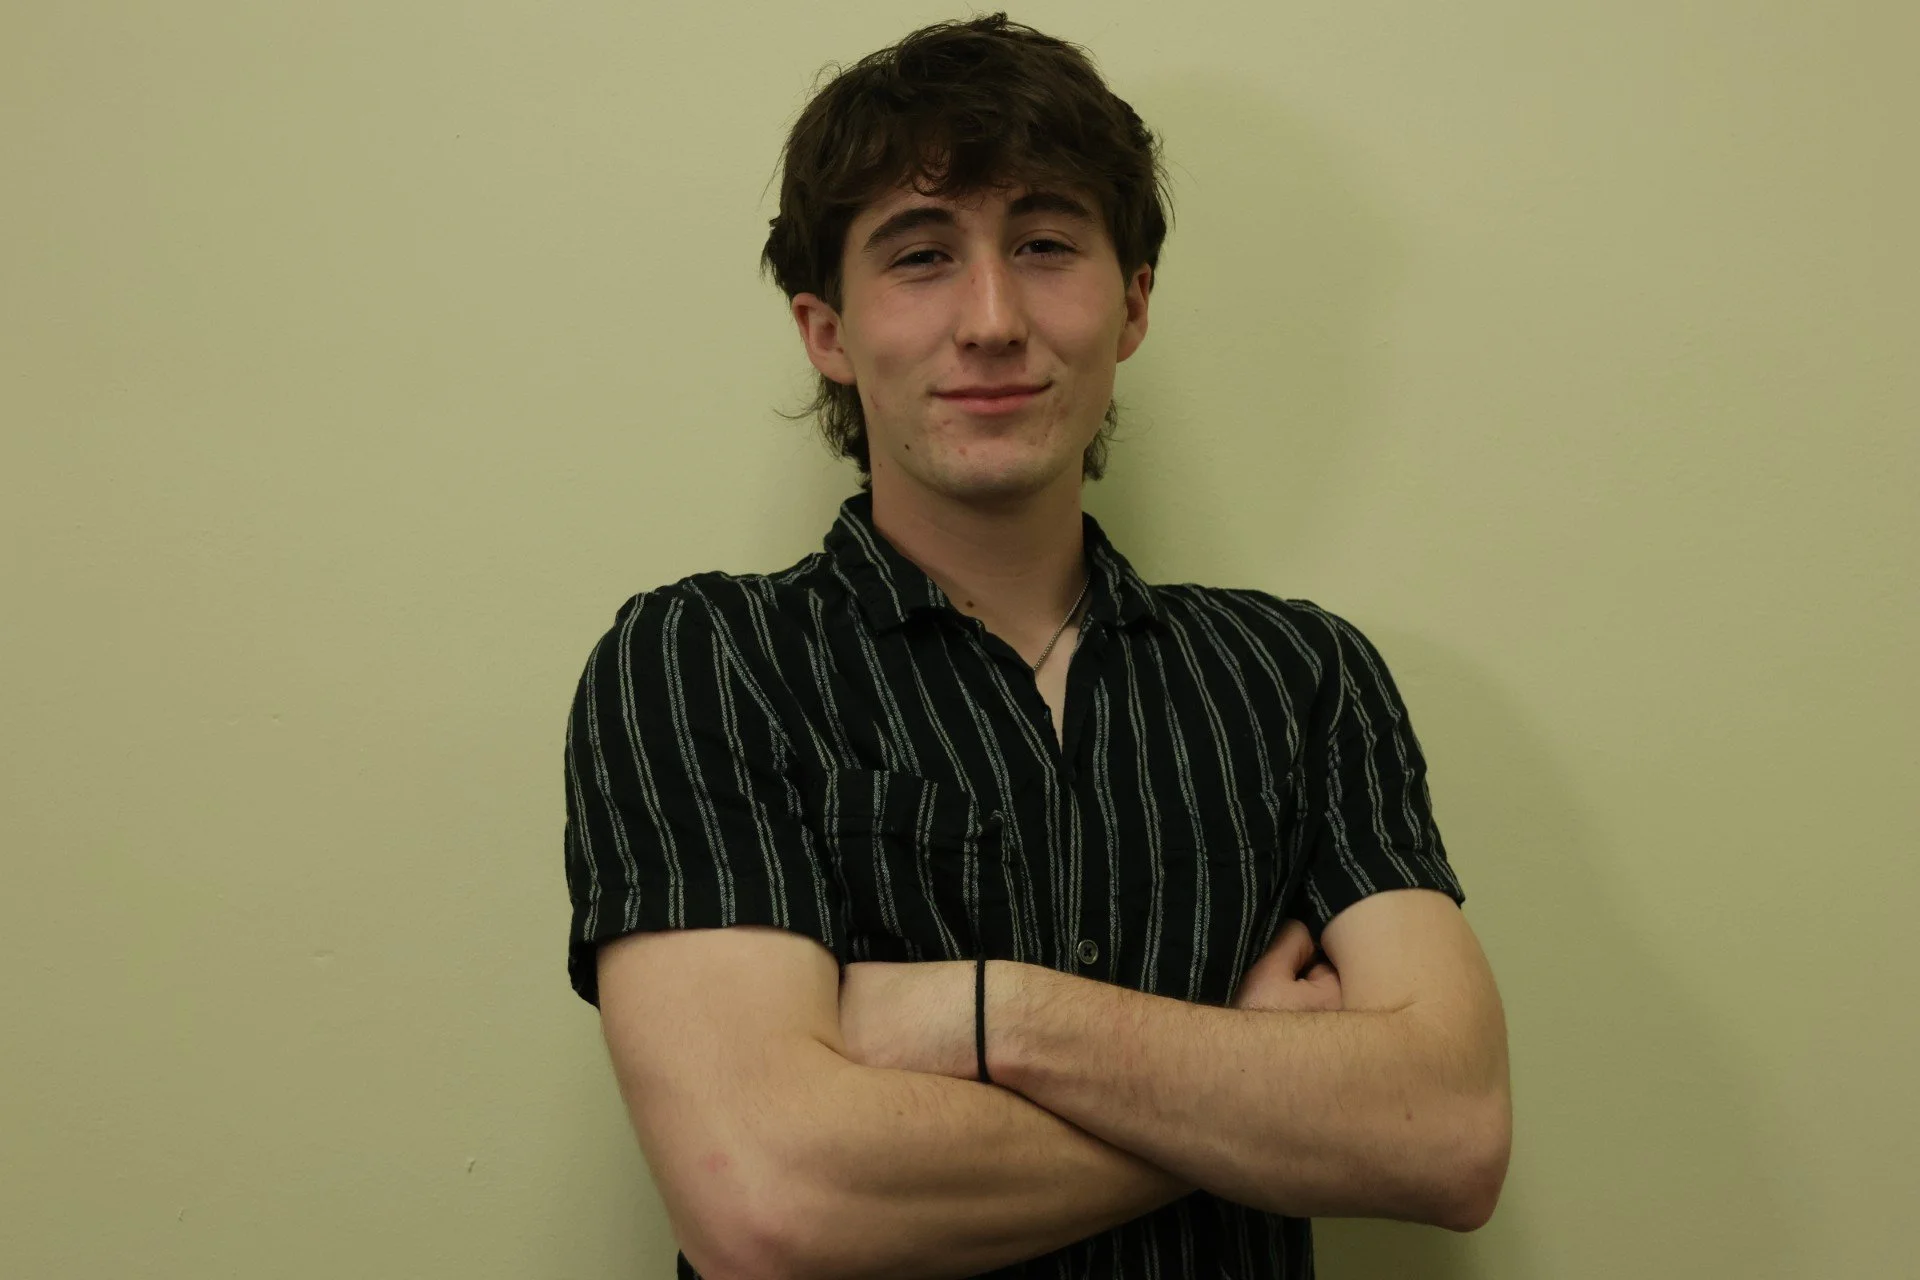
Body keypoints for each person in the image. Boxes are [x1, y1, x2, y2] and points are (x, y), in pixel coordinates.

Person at [561, 13, 1510, 1278]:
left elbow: (1449, 1136)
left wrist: (982, 1012)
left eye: (1046, 244)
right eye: (919, 255)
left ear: (1132, 305)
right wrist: (1263, 1090)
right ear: (828, 332)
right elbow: (768, 1198)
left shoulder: (1302, 678)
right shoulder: (702, 662)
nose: (994, 317)